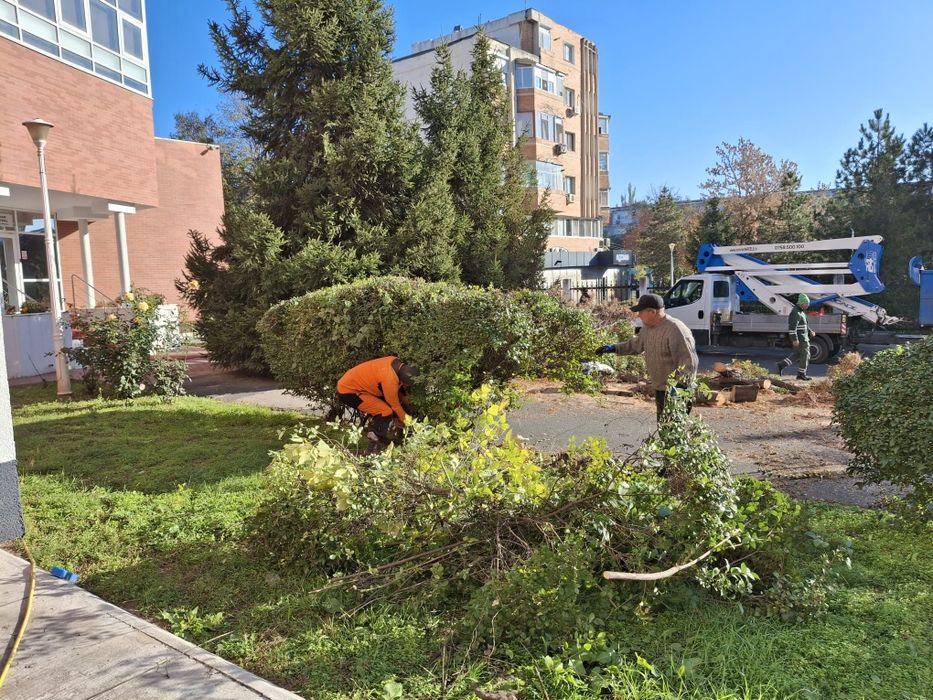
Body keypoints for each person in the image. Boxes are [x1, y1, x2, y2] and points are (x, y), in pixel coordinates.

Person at [596, 293, 699, 422]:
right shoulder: (647, 329)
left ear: (652, 312)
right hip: (661, 389)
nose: (638, 315)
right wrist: (614, 348)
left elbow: (690, 362)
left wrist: (680, 387)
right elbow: (635, 345)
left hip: (678, 391)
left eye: (641, 311)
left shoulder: (676, 329)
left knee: (674, 432)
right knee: (664, 430)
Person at [336, 356, 419, 450]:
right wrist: (411, 424)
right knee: (385, 411)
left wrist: (405, 401)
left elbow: (398, 391)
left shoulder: (394, 362)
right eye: (406, 384)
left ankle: (394, 438)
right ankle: (372, 448)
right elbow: (395, 406)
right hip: (348, 391)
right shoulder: (389, 381)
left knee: (400, 404)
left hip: (362, 385)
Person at [777, 294, 815, 381]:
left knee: (797, 355)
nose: (808, 305)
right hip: (801, 339)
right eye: (807, 303)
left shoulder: (801, 312)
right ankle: (801, 374)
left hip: (804, 337)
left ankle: (781, 365)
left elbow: (804, 325)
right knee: (806, 355)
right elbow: (792, 328)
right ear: (802, 303)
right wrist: (794, 339)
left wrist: (810, 331)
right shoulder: (795, 312)